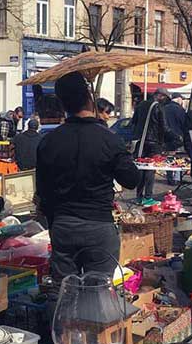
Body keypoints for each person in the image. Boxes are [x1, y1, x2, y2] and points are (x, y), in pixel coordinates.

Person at [36, 72, 140, 281]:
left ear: (63, 104)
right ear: (90, 99)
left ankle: (62, 315)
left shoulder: (49, 141)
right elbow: (131, 179)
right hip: (98, 226)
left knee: (64, 292)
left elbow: (43, 193)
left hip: (63, 226)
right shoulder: (109, 139)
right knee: (98, 294)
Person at [131, 88, 177, 202]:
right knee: (150, 169)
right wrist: (176, 137)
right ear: (160, 96)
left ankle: (139, 197)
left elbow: (134, 122)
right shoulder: (158, 107)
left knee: (141, 168)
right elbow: (164, 128)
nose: (165, 101)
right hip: (154, 143)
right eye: (165, 98)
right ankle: (148, 197)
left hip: (140, 142)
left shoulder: (141, 105)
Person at [162, 92, 187, 185]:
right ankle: (177, 178)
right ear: (179, 99)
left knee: (169, 158)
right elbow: (184, 124)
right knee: (178, 158)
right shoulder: (180, 110)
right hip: (178, 138)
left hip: (166, 138)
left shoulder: (164, 108)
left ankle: (169, 178)